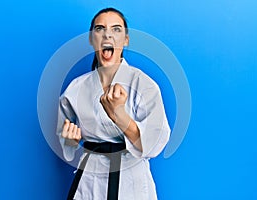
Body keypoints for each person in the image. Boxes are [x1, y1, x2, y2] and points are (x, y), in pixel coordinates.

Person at [57, 7, 171, 200]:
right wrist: (70, 141)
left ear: (125, 40)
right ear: (92, 39)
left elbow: (154, 144)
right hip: (90, 178)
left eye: (116, 29)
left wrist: (120, 116)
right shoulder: (75, 88)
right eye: (100, 29)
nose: (107, 34)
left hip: (130, 179)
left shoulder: (143, 85)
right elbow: (66, 139)